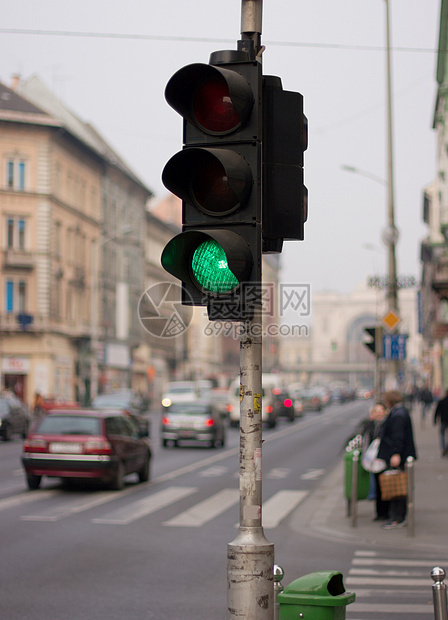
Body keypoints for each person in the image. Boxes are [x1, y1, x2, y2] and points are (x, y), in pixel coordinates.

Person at [377, 390, 417, 529]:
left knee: (396, 486)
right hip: (398, 454)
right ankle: (397, 516)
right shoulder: (400, 412)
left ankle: (397, 517)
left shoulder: (398, 415)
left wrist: (396, 453)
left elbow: (397, 436)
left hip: (396, 455)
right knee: (397, 485)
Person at [362, 403, 389, 521]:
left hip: (384, 459)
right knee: (377, 486)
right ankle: (379, 513)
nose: (378, 413)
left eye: (381, 410)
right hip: (374, 460)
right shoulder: (370, 425)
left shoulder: (387, 424)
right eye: (376, 411)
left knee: (385, 486)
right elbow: (366, 439)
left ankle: (387, 512)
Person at [434, 390, 448, 457]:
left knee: (442, 435)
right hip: (444, 420)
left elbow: (437, 411)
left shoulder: (442, 401)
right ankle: (446, 448)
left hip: (443, 420)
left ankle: (443, 448)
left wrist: (435, 420)